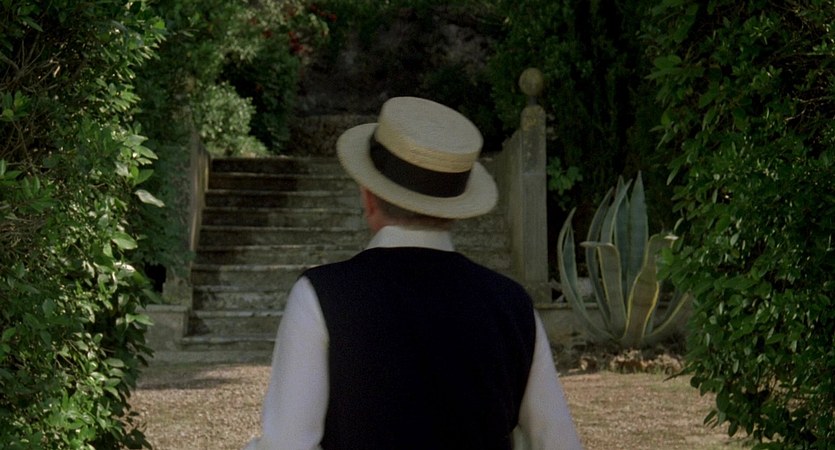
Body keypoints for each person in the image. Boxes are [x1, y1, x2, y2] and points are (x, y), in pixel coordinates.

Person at [245, 97, 583, 450]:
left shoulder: (321, 296)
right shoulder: (512, 305)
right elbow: (557, 441)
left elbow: (287, 444)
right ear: (454, 209)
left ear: (368, 197)